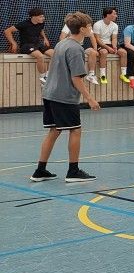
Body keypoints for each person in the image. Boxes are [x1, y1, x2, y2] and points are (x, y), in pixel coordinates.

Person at [30, 11, 100, 183]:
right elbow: (76, 78)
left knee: (54, 130)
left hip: (49, 94)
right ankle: (73, 171)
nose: (91, 29)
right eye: (89, 26)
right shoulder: (76, 49)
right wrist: (90, 98)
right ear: (82, 29)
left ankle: (40, 170)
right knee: (75, 130)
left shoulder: (62, 43)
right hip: (63, 96)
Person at [5, 7, 54, 85]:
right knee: (40, 56)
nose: (43, 18)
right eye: (41, 16)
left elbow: (41, 30)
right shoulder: (24, 24)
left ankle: (48, 75)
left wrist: (45, 38)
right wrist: (13, 43)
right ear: (34, 17)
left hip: (37, 44)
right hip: (26, 45)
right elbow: (7, 31)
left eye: (43, 16)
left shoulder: (41, 23)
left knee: (55, 54)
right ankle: (43, 79)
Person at [93, 7, 119, 85]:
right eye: (114, 14)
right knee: (104, 52)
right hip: (99, 44)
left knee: (123, 52)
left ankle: (124, 74)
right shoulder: (97, 24)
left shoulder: (115, 25)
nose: (116, 16)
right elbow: (97, 39)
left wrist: (114, 46)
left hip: (109, 43)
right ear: (108, 15)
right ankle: (102, 75)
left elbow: (114, 38)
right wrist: (108, 48)